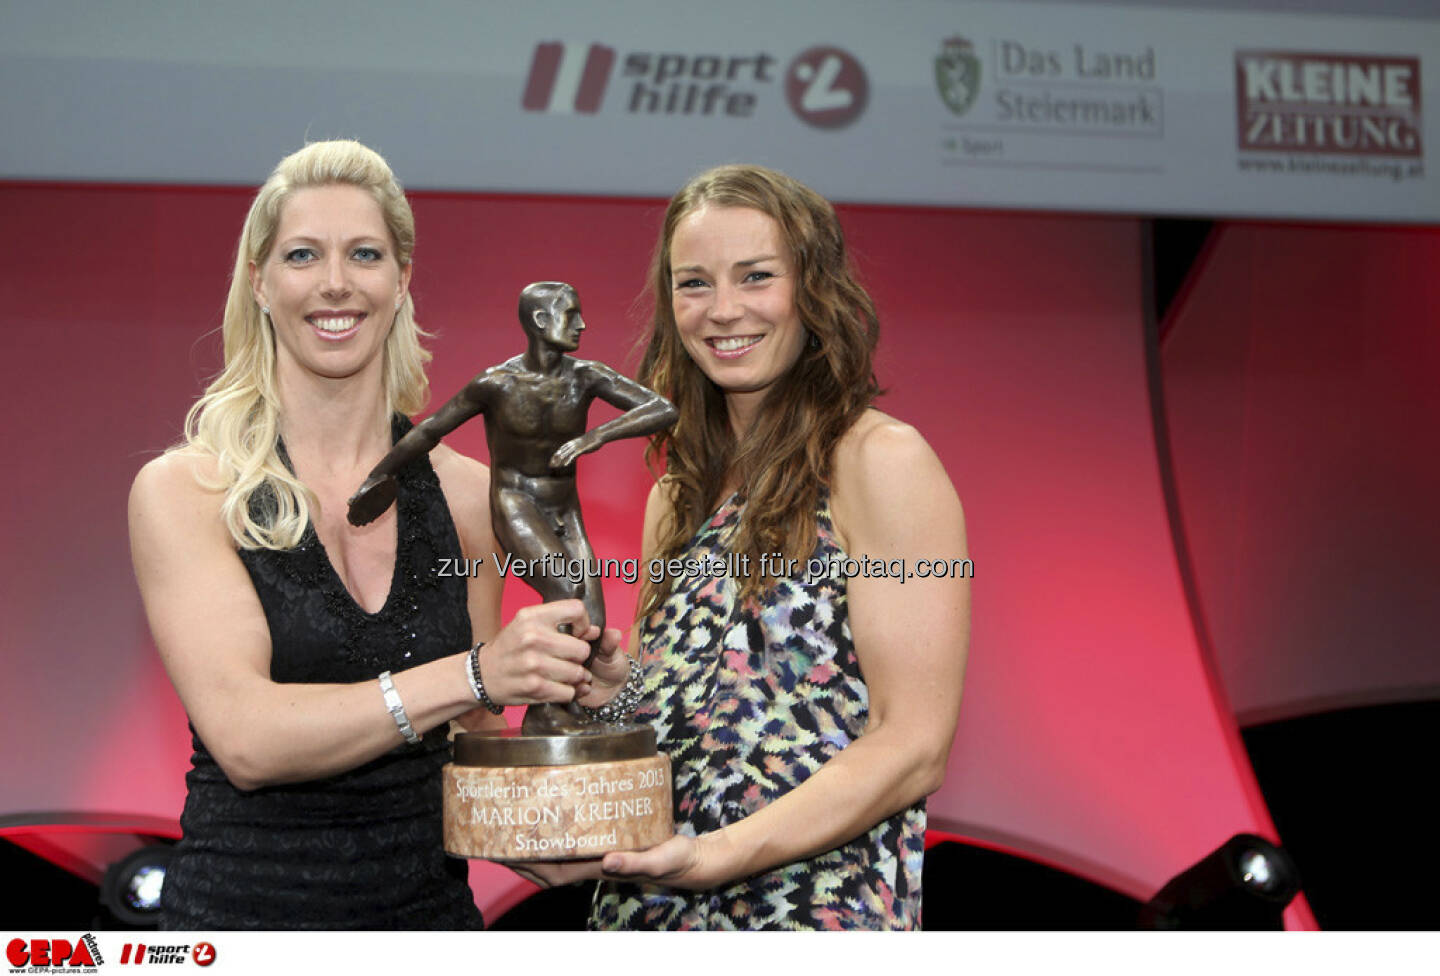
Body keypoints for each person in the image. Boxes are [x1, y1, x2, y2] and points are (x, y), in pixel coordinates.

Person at [127, 140, 627, 929]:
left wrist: (583, 715)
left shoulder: (467, 495)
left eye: (364, 254)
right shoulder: (189, 491)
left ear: (400, 283)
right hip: (242, 925)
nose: (335, 283)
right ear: (260, 282)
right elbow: (247, 741)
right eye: (302, 255)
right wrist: (475, 673)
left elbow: (471, 739)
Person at [545, 164, 971, 929]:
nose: (724, 310)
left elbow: (913, 745)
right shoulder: (676, 493)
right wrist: (617, 693)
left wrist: (720, 854)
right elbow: (677, 725)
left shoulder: (880, 461)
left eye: (756, 277)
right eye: (695, 283)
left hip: (809, 918)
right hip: (649, 917)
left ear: (815, 290)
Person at [347, 281, 677, 733]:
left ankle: (572, 708)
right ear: (542, 322)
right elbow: (430, 432)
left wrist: (595, 436)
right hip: (516, 502)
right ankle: (548, 710)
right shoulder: (496, 384)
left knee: (593, 619)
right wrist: (381, 474)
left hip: (565, 506)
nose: (582, 324)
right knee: (565, 595)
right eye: (571, 314)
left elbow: (662, 409)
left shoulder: (587, 377)